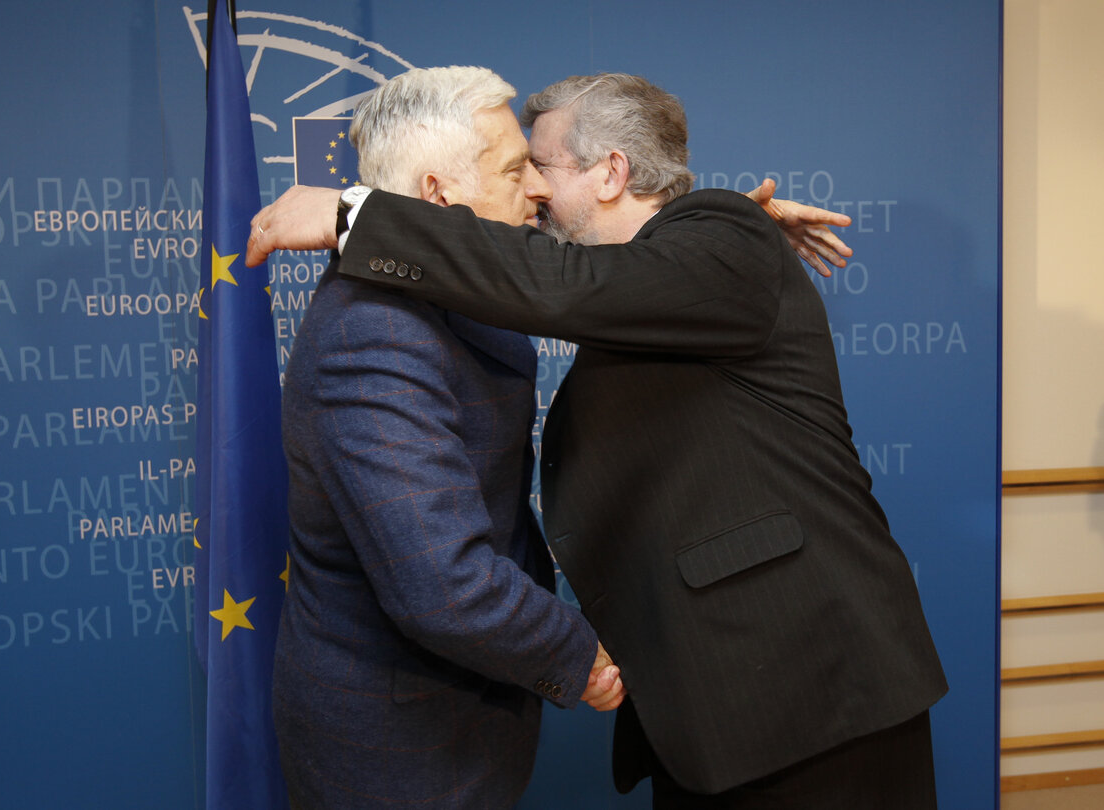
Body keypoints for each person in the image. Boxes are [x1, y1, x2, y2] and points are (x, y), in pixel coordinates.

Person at [249, 72, 948, 808]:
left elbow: (571, 284)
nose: (535, 194)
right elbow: (603, 283)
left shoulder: (722, 242)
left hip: (812, 696)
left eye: (537, 167)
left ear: (611, 171)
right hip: (714, 710)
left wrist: (355, 215)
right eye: (516, 171)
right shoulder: (667, 269)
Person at [269, 66, 624, 810]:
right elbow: (444, 585)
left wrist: (723, 235)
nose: (536, 188)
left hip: (464, 717)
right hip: (395, 750)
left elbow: (602, 277)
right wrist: (581, 658)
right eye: (511, 169)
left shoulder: (452, 299)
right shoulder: (376, 334)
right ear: (435, 197)